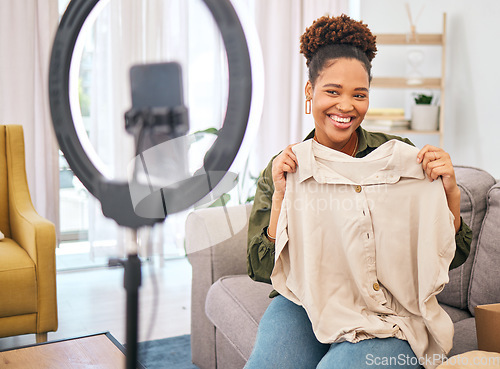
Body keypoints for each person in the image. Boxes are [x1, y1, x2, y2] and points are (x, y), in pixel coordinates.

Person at [245, 14, 472, 369]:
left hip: (388, 310)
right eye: (332, 91)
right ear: (310, 92)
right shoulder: (287, 167)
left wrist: (451, 196)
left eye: (359, 95)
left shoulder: (401, 157)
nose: (346, 106)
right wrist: (279, 198)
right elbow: (259, 268)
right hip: (305, 301)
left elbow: (448, 259)